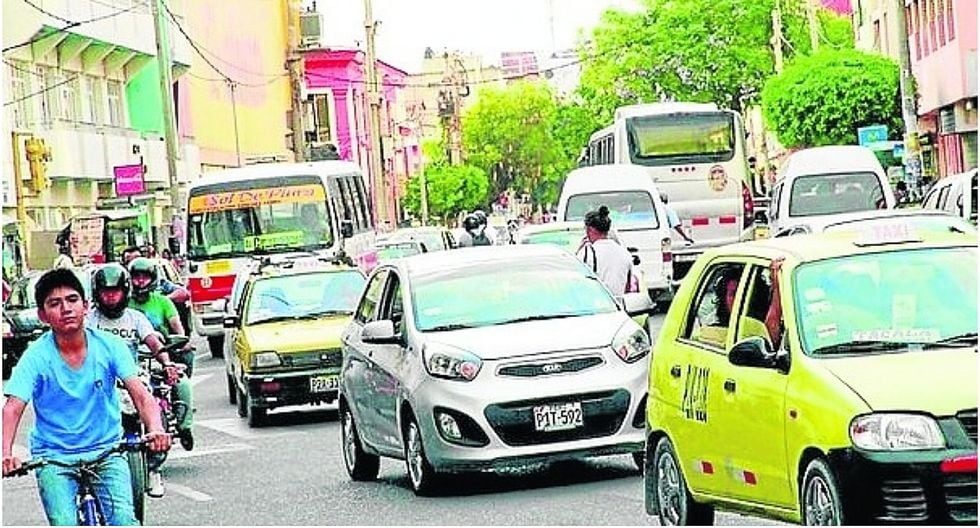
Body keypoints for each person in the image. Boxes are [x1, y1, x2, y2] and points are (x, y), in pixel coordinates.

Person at [2, 268, 171, 525]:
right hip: (54, 458)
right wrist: (5, 453)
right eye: (54, 304)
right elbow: (12, 408)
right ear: (42, 316)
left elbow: (141, 396)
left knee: (124, 520)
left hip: (107, 451)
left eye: (72, 300)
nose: (66, 309)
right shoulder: (35, 356)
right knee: (64, 523)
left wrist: (156, 429)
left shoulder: (110, 346)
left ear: (86, 306)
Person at [86, 264, 181, 498]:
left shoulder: (135, 318)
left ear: (125, 291)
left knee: (157, 411)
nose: (111, 297)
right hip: (99, 382)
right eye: (106, 292)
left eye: (115, 291)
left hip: (133, 379)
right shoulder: (88, 320)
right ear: (97, 293)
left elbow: (154, 343)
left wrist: (167, 363)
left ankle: (154, 468)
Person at [128, 258, 195, 452]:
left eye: (145, 277)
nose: (140, 282)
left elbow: (178, 328)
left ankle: (185, 426)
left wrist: (180, 342)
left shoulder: (163, 302)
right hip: (131, 360)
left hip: (158, 357)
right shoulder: (124, 305)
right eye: (136, 277)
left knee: (182, 383)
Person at [576, 206, 634, 295]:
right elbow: (628, 288)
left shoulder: (586, 253)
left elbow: (578, 283)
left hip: (595, 302)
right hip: (618, 302)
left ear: (589, 229)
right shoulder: (624, 253)